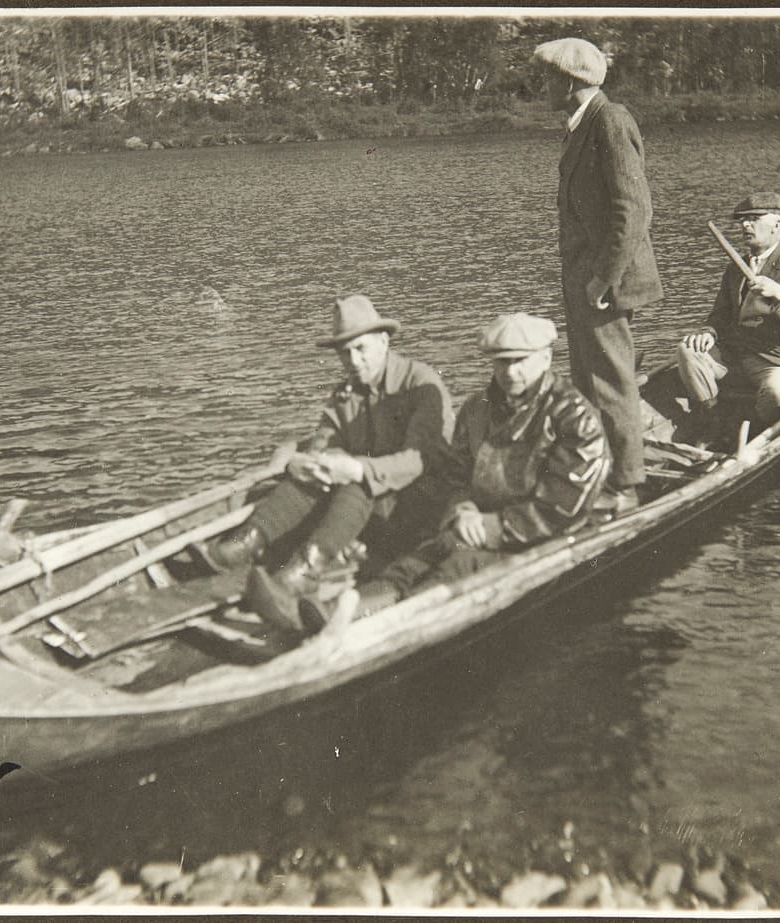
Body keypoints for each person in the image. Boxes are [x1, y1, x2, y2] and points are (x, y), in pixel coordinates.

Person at [200, 294, 454, 633]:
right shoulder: (346, 393)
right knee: (315, 474)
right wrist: (313, 463)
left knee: (357, 478)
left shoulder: (419, 384)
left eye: (361, 349)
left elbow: (419, 459)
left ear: (383, 341)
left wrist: (358, 469)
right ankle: (246, 544)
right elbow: (325, 441)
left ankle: (304, 573)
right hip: (369, 510)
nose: (353, 360)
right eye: (344, 353)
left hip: (421, 508)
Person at [356, 313, 610, 611]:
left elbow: (562, 506)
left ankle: (389, 625)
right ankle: (347, 610)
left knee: (456, 569)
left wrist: (491, 526)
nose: (511, 372)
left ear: (545, 358)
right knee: (414, 562)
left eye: (520, 361)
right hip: (475, 525)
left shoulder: (575, 417)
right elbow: (454, 477)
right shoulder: (477, 409)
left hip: (545, 537)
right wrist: (462, 510)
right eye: (502, 361)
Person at [532, 37, 664, 517]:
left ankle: (627, 485)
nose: (543, 85)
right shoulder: (581, 124)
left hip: (605, 283)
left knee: (611, 381)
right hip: (585, 279)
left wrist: (604, 280)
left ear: (571, 82)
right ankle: (599, 473)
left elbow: (633, 210)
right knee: (588, 381)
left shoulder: (609, 120)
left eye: (549, 77)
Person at [676, 192, 780, 432]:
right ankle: (713, 419)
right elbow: (719, 315)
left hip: (774, 358)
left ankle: (757, 429)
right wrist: (708, 332)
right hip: (734, 355)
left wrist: (779, 295)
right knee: (687, 351)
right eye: (742, 220)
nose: (745, 225)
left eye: (753, 218)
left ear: (777, 224)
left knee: (778, 393)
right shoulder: (735, 267)